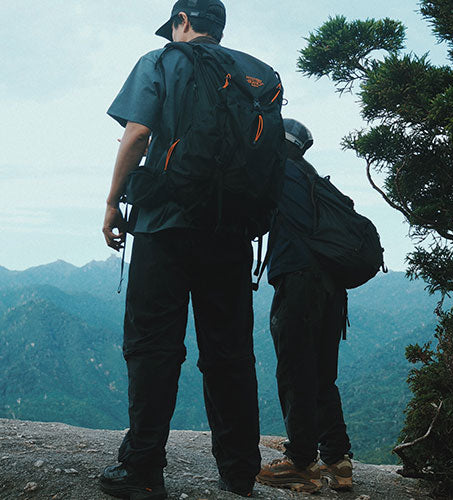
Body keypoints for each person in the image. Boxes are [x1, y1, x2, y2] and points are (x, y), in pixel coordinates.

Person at [99, 1, 271, 497]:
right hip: (232, 231)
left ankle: (143, 468)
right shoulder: (256, 73)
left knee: (153, 348)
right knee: (230, 354)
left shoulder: (160, 60)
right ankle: (239, 473)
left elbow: (137, 134)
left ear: (181, 23)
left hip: (164, 227)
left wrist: (113, 204)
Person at [256, 119, 353, 493]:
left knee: (295, 371)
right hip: (333, 290)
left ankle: (299, 463)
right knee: (322, 375)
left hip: (299, 283)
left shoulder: (275, 170)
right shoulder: (314, 179)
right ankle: (338, 460)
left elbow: (252, 217)